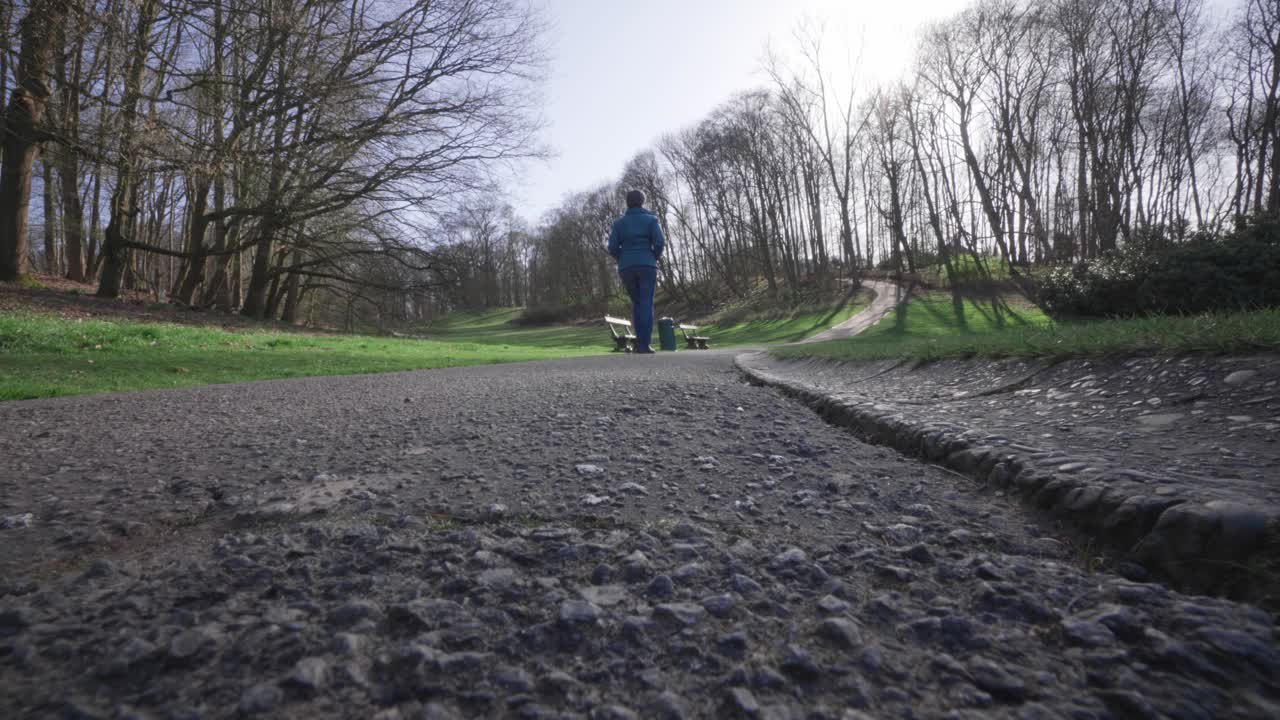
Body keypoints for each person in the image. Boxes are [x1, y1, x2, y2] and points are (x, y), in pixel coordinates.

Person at [607, 190, 665, 354]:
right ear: (642, 202)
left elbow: (612, 247)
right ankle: (644, 344)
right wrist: (653, 256)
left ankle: (640, 342)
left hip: (627, 267)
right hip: (647, 265)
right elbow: (659, 242)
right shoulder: (651, 220)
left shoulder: (619, 224)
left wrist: (623, 258)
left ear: (627, 203)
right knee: (646, 303)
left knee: (637, 303)